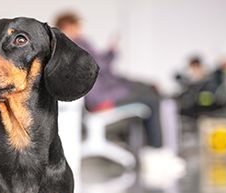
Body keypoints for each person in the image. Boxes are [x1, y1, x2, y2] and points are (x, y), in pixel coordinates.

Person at [54, 12, 184, 173]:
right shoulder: (78, 42)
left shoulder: (61, 47)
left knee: (148, 93)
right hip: (100, 98)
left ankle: (155, 153)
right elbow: (101, 66)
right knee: (152, 99)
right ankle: (156, 155)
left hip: (97, 95)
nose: (81, 30)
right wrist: (112, 51)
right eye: (78, 26)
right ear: (68, 26)